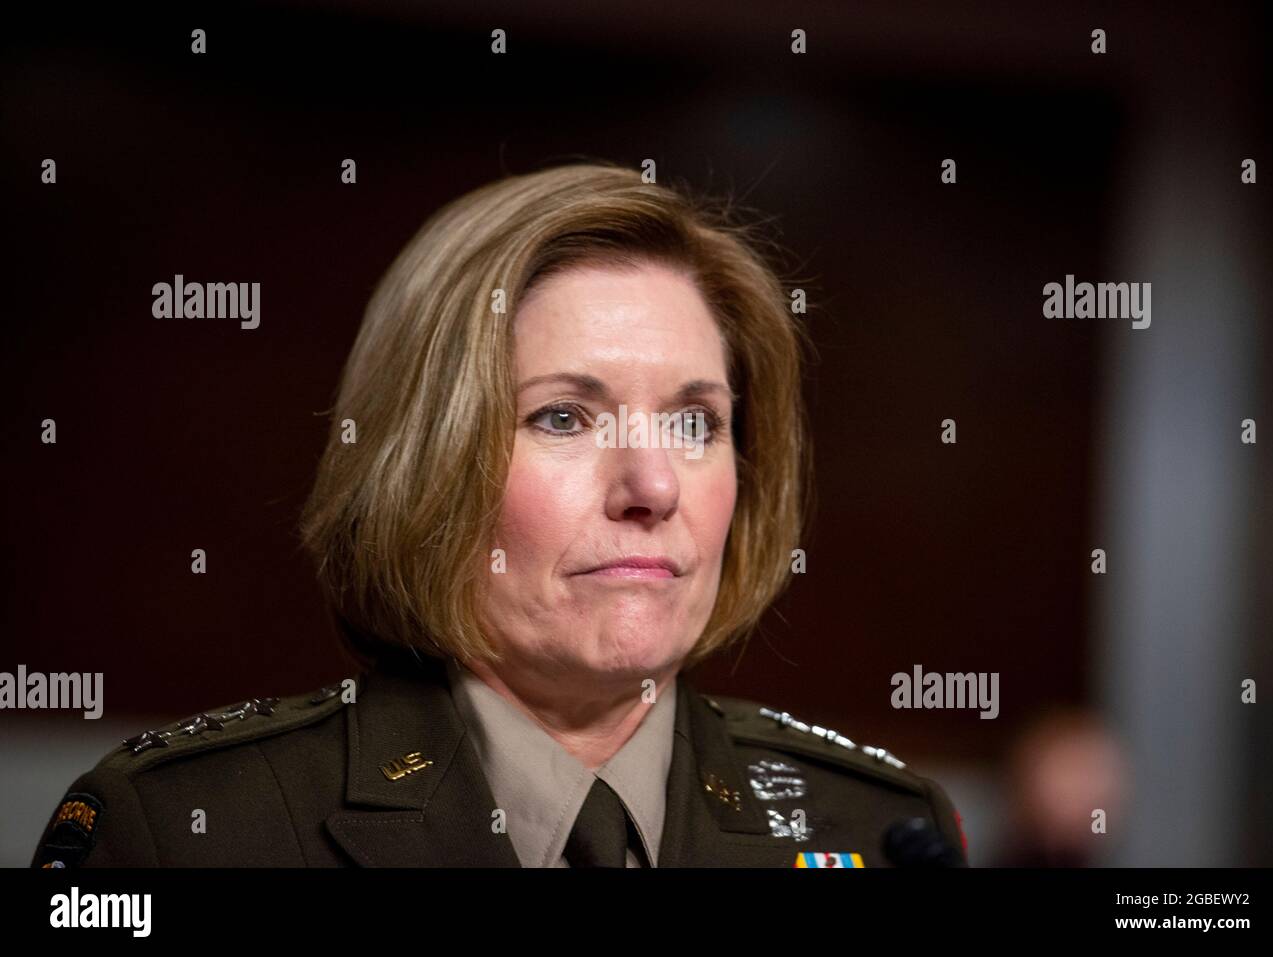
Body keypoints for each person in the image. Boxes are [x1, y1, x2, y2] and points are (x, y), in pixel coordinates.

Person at [31, 162, 967, 868]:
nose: (654, 487)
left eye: (696, 422)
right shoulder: (187, 831)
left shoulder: (878, 830)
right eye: (564, 416)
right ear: (426, 462)